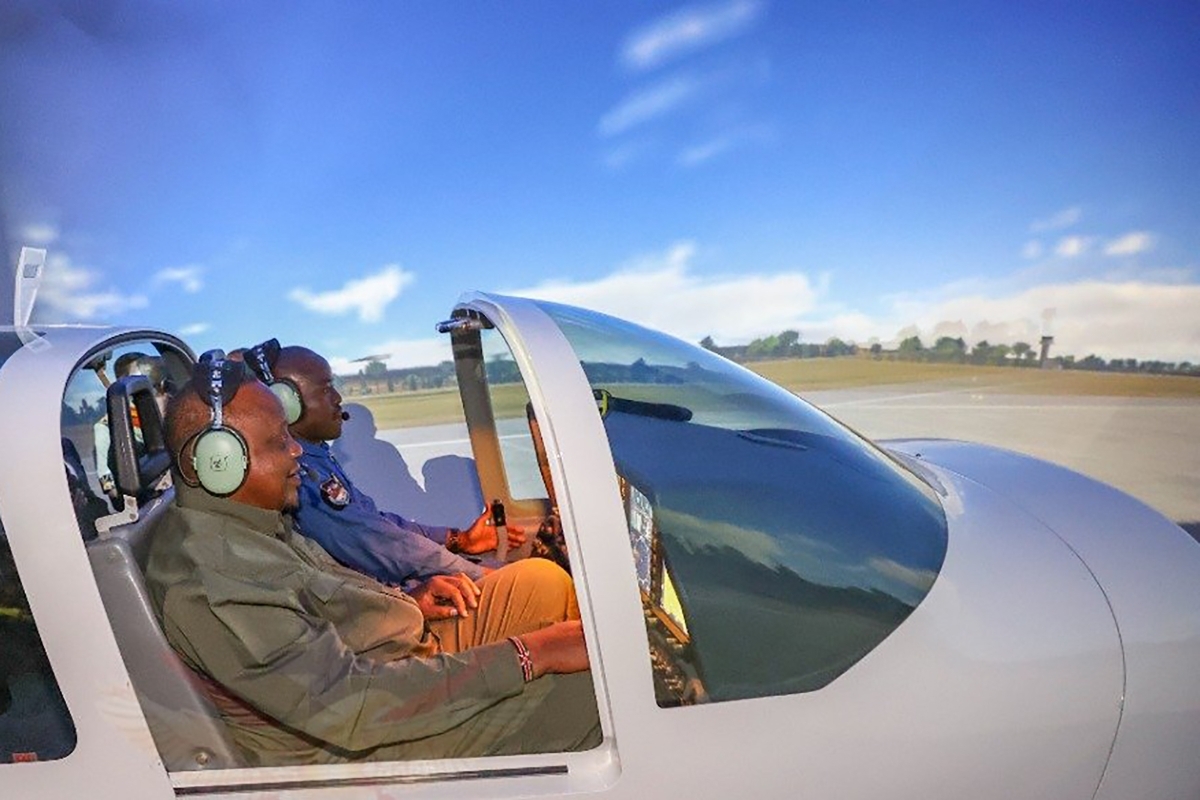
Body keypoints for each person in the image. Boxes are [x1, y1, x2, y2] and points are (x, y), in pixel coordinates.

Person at [145, 356, 599, 766]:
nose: (297, 450)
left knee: (540, 581)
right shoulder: (213, 581)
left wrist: (411, 602)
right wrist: (529, 655)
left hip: (387, 662)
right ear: (218, 464)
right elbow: (352, 708)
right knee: (594, 694)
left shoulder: (249, 525)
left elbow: (325, 604)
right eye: (278, 441)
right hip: (360, 743)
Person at [246, 340, 526, 619]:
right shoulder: (301, 476)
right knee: (538, 582)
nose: (337, 398)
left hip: (383, 597)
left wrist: (456, 539)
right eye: (325, 388)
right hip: (377, 612)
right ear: (283, 402)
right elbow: (375, 541)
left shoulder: (318, 457)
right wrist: (476, 572)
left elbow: (378, 521)